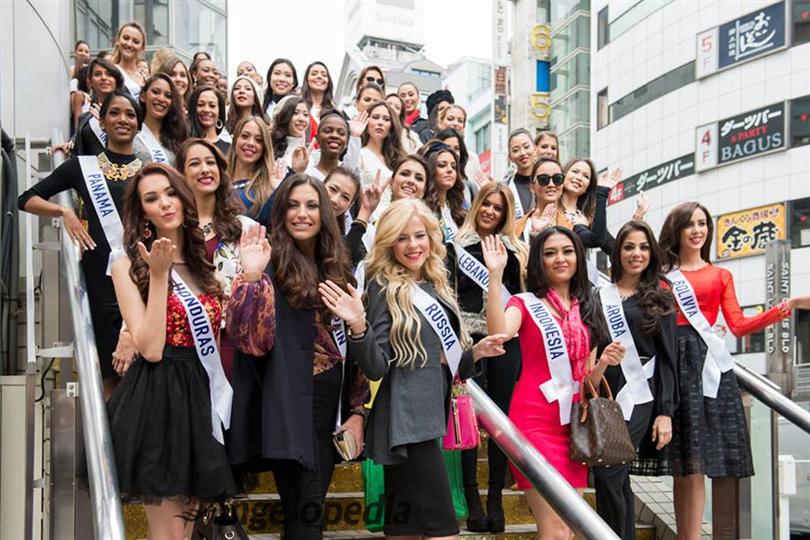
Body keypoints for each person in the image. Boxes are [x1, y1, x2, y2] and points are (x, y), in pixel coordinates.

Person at [322, 198, 507, 538]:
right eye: (402, 237)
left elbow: (439, 360)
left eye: (419, 236)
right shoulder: (382, 286)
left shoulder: (435, 283)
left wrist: (475, 353)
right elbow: (376, 367)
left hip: (428, 416)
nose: (412, 245)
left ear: (431, 238)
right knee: (444, 529)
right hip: (406, 421)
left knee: (403, 528)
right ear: (389, 242)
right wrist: (360, 327)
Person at [226, 174, 369, 538]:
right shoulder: (269, 264)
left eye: (310, 205)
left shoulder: (339, 268)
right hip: (289, 404)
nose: (301, 214)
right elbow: (249, 341)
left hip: (328, 407)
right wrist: (253, 277)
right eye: (292, 205)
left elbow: (351, 352)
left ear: (324, 212)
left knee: (304, 513)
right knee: (306, 514)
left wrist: (356, 411)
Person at [658, 202, 810, 540]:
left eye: (703, 223)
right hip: (671, 363)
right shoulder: (662, 275)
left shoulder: (720, 275)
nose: (697, 230)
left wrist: (791, 306)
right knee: (681, 465)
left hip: (705, 367)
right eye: (690, 224)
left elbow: (738, 326)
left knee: (695, 463)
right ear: (677, 230)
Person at [108, 163, 237, 539]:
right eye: (152, 198)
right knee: (167, 533)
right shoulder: (125, 264)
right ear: (142, 212)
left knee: (188, 528)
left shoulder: (204, 262)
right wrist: (160, 275)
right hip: (158, 398)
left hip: (200, 396)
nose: (164, 203)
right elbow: (149, 348)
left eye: (169, 193)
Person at [484, 227, 620, 540]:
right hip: (533, 424)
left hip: (574, 428)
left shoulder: (588, 308)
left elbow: (587, 382)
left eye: (567, 251)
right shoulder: (524, 302)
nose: (560, 259)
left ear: (578, 258)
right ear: (539, 262)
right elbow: (499, 334)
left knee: (571, 530)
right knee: (555, 529)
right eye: (550, 253)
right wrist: (495, 276)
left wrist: (603, 363)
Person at [18, 91, 146, 396]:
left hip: (138, 276)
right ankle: (109, 441)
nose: (123, 120)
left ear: (139, 125)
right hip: (98, 278)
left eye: (130, 114)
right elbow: (27, 199)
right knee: (108, 368)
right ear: (101, 121)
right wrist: (64, 211)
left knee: (142, 368)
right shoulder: (81, 166)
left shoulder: (149, 172)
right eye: (114, 113)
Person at [446, 184, 527, 533]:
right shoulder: (454, 248)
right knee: (468, 419)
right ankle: (472, 499)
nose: (491, 211)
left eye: (498, 207)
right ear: (476, 205)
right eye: (486, 205)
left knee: (500, 423)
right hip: (469, 340)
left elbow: (521, 300)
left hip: (506, 340)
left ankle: (495, 496)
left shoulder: (517, 250)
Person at [593, 221, 678, 540]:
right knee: (617, 476)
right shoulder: (600, 295)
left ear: (651, 252)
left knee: (608, 469)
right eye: (629, 247)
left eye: (643, 247)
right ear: (618, 253)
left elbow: (670, 359)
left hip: (641, 392)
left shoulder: (660, 298)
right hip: (608, 390)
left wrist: (665, 411)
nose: (636, 253)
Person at [176, 139, 255, 381]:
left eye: (211, 163)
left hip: (230, 342)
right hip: (182, 343)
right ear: (180, 174)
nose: (205, 169)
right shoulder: (170, 226)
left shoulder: (245, 228)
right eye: (195, 164)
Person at [227, 116, 282, 225]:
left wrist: (275, 191)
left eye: (259, 140)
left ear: (264, 147)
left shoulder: (266, 188)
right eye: (245, 136)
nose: (251, 143)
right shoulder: (217, 176)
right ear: (235, 139)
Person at [71, 58, 125, 157]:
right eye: (97, 74)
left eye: (109, 74)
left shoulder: (127, 114)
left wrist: (106, 125)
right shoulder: (84, 118)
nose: (103, 77)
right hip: (90, 171)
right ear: (90, 82)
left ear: (116, 80)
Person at [135, 73, 188, 166]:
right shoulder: (131, 135)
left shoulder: (178, 138)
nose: (161, 99)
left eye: (168, 96)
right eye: (155, 92)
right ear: (143, 96)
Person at [421, 142, 465, 242]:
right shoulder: (422, 209)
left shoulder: (457, 210)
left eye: (453, 167)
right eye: (442, 165)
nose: (450, 170)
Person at [514, 158, 565, 242]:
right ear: (532, 187)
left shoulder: (572, 225)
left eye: (558, 179)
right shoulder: (516, 227)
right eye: (543, 179)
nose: (551, 184)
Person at [306, 110, 363, 181]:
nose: (334, 135)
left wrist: (355, 136)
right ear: (317, 139)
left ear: (347, 142)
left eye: (341, 133)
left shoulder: (349, 176)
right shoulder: (307, 174)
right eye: (327, 131)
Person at [270, 95, 312, 174]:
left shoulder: (310, 153)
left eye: (305, 115)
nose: (301, 119)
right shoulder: (270, 146)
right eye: (296, 113)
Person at [504, 128, 537, 220]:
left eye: (526, 147)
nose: (522, 153)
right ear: (510, 157)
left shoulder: (548, 181)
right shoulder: (505, 187)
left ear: (535, 149)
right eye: (515, 150)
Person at [188, 85, 229, 154]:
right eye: (200, 105)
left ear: (220, 111)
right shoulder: (183, 144)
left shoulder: (230, 149)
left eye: (212, 106)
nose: (206, 110)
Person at [111, 22, 147, 99]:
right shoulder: (110, 72)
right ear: (118, 40)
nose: (129, 44)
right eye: (126, 38)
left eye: (136, 42)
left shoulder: (145, 77)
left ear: (142, 47)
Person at [300, 61, 337, 126]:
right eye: (314, 74)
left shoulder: (334, 112)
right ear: (307, 79)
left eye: (324, 75)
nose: (319, 77)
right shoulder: (297, 105)